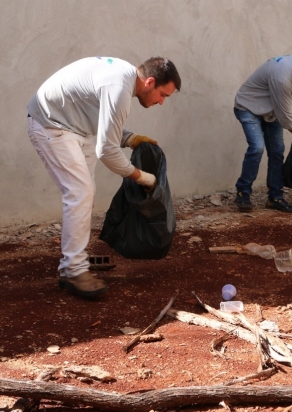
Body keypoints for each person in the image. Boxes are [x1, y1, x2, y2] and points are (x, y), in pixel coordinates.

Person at [27, 56, 181, 297]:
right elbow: (107, 151)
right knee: (80, 192)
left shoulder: (123, 79)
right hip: (52, 125)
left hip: (78, 127)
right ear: (150, 82)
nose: (161, 102)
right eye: (164, 95)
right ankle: (74, 271)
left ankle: (74, 261)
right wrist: (141, 177)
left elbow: (97, 115)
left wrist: (128, 137)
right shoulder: (119, 86)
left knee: (85, 193)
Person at [233, 54, 292, 213]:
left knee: (277, 151)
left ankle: (275, 197)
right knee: (257, 148)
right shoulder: (282, 77)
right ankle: (242, 192)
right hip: (249, 107)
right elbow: (285, 113)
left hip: (272, 110)